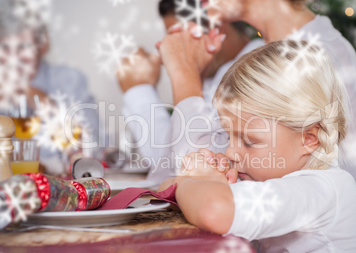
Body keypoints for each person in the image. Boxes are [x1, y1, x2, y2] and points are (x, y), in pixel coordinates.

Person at [157, 0, 356, 253]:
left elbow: (214, 210)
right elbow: (172, 185)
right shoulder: (274, 176)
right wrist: (195, 180)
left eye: (250, 140)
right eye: (228, 136)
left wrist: (192, 182)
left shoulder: (320, 189)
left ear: (310, 138)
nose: (229, 152)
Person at [117, 0, 264, 178]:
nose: (171, 50)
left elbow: (184, 166)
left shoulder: (260, 68)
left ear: (215, 27)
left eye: (180, 38)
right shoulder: (214, 76)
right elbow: (169, 162)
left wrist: (142, 88)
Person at [0, 0, 100, 175]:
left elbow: (94, 150)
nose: (13, 58)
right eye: (5, 47)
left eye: (23, 47)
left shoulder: (68, 80)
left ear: (43, 44)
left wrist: (44, 103)